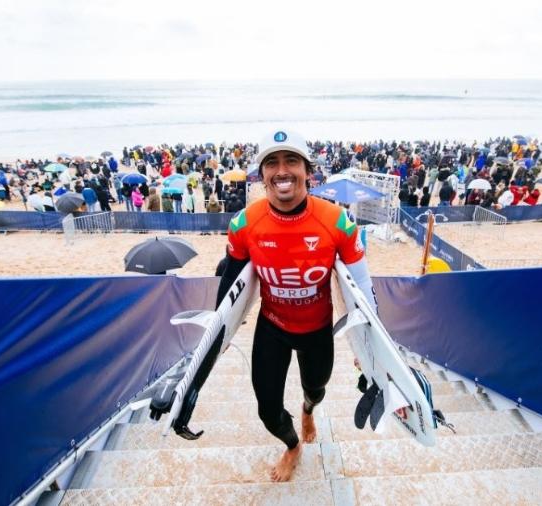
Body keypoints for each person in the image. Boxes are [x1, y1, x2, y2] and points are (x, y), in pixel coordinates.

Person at [155, 129, 377, 482]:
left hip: (318, 329)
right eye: (271, 163)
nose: (282, 170)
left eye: (291, 161)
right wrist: (220, 334)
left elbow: (361, 285)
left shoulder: (337, 221)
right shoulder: (244, 223)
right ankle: (292, 446)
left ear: (308, 171)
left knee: (316, 389)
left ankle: (307, 410)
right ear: (262, 175)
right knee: (268, 412)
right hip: (271, 327)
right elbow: (231, 282)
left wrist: (367, 343)